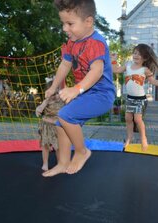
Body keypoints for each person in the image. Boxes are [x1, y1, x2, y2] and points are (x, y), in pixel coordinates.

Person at [42, 0, 115, 177]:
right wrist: (53, 87)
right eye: (63, 23)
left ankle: (82, 151)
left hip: (102, 95)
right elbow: (65, 64)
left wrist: (77, 89)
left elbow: (97, 71)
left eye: (70, 24)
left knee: (65, 115)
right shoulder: (71, 42)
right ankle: (63, 163)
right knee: (61, 124)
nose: (65, 29)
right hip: (85, 94)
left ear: (88, 22)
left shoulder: (96, 42)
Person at [111, 44, 158, 151]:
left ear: (145, 58)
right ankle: (129, 137)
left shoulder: (145, 69)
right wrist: (114, 60)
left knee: (137, 119)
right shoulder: (128, 65)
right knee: (128, 118)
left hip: (140, 99)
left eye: (139, 54)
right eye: (135, 53)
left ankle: (143, 139)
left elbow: (153, 81)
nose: (136, 55)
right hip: (129, 98)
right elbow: (116, 70)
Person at [35, 76, 64, 171]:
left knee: (58, 146)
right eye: (53, 94)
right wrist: (39, 109)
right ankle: (45, 164)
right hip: (47, 126)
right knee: (45, 145)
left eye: (57, 92)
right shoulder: (46, 101)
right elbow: (39, 108)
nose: (55, 96)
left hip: (58, 126)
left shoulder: (63, 100)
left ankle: (60, 163)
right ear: (48, 93)